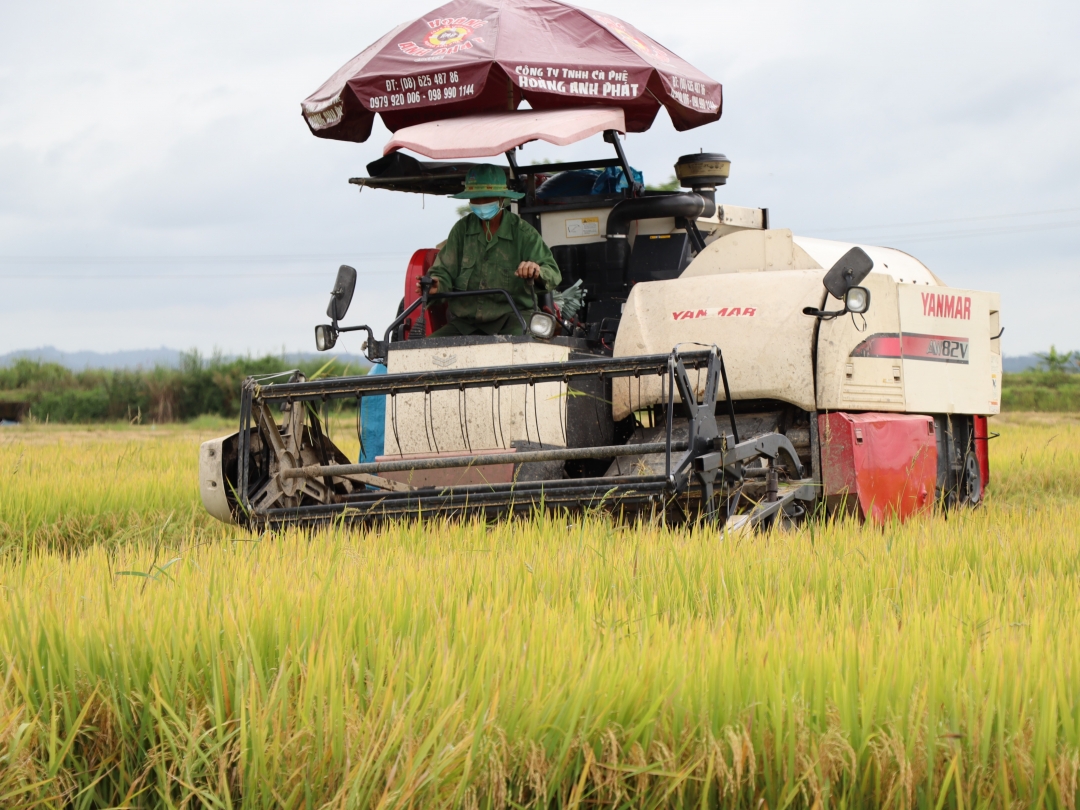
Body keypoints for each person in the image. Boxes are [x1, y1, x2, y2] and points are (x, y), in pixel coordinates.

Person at [421, 164, 561, 337]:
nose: (481, 204)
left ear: (502, 199)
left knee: (525, 346)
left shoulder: (523, 233)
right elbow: (443, 271)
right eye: (475, 199)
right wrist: (436, 284)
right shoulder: (461, 230)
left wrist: (536, 271)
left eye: (487, 198)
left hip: (514, 319)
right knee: (426, 349)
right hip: (466, 323)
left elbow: (553, 273)